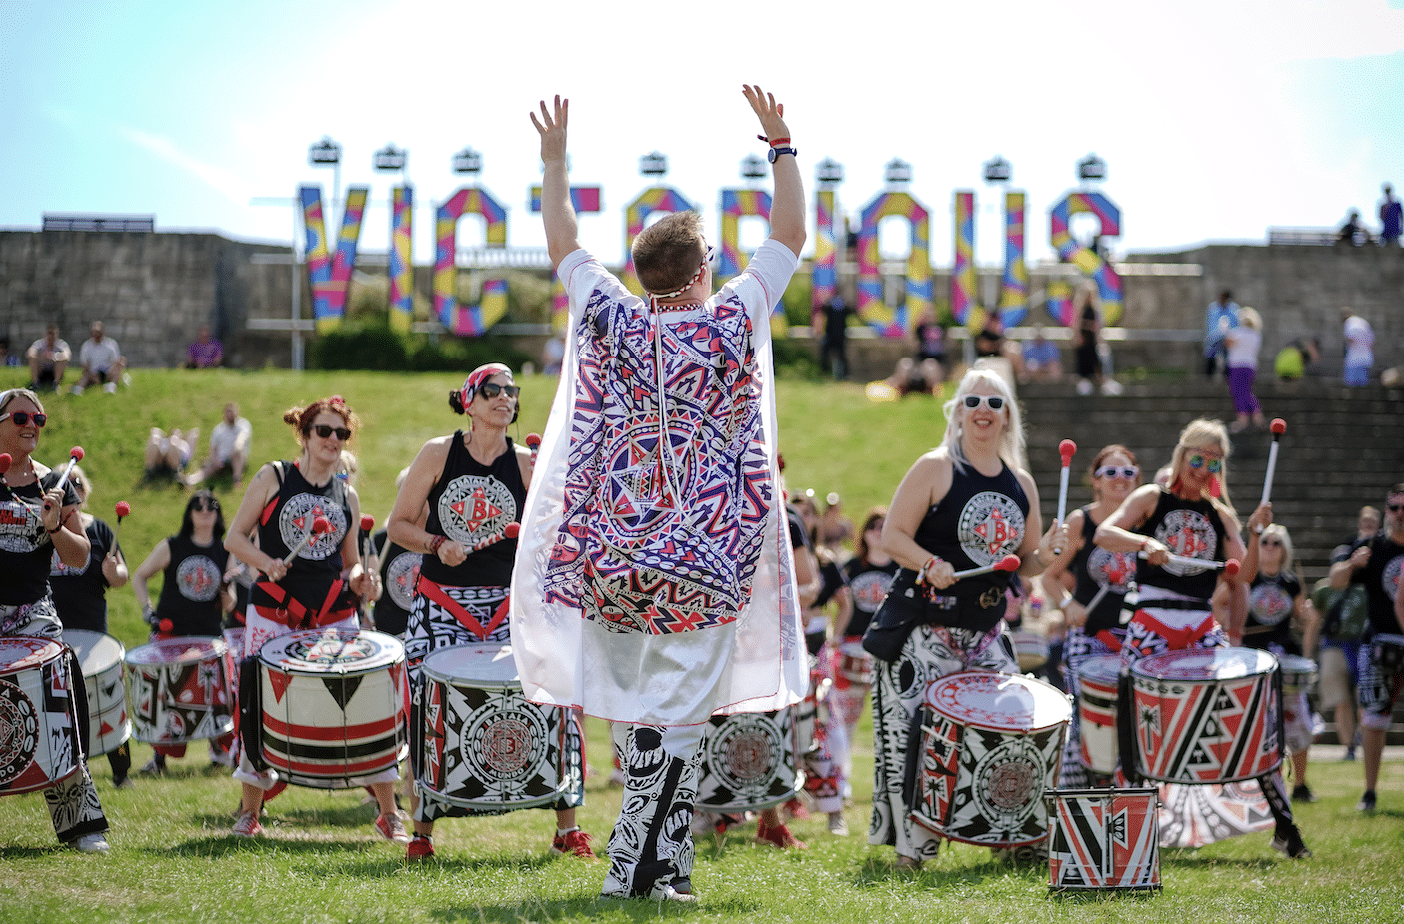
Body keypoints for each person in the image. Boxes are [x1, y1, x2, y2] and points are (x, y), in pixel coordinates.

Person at [512, 86, 808, 903]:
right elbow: (789, 235)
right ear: (702, 267)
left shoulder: (607, 311)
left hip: (612, 556)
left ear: (643, 270)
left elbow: (564, 240)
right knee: (677, 721)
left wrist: (553, 161)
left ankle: (666, 872)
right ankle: (627, 871)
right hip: (705, 560)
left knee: (654, 714)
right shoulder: (726, 322)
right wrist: (781, 146)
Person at [386, 364, 595, 863]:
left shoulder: (527, 464)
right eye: (493, 390)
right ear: (470, 401)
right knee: (429, 711)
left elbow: (557, 533)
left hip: (510, 606)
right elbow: (398, 526)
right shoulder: (439, 453)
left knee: (553, 697)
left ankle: (568, 827)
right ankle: (422, 832)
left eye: (511, 391)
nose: (505, 397)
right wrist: (438, 544)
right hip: (442, 603)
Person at [1094, 417, 1311, 859]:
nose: (1203, 467)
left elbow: (1244, 576)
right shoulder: (1151, 498)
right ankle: (1130, 830)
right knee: (1137, 726)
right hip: (1151, 623)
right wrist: (1141, 544)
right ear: (1181, 455)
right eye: (1197, 458)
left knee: (1245, 715)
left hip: (1199, 627)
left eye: (1213, 462)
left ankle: (1284, 825)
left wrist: (1252, 535)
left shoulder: (1222, 514)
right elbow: (1104, 533)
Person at [872, 365, 1046, 869]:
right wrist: (930, 562)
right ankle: (912, 853)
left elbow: (1027, 561)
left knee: (1015, 728)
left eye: (995, 403)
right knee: (917, 740)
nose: (983, 411)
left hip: (989, 632)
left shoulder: (1023, 484)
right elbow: (893, 536)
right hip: (924, 630)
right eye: (973, 402)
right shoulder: (935, 467)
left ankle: (1014, 838)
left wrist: (1052, 553)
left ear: (1009, 415)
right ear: (958, 413)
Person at [222, 395, 402, 841]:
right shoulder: (273, 476)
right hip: (275, 610)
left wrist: (363, 581)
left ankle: (389, 813)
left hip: (334, 614)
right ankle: (250, 812)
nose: (333, 440)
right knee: (259, 703)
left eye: (341, 434)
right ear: (304, 434)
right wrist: (266, 562)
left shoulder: (348, 494)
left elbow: (350, 564)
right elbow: (234, 539)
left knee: (366, 702)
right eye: (324, 431)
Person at [0, 387, 110, 853]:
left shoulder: (53, 484)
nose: (32, 424)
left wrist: (54, 525)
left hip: (35, 616)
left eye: (39, 419)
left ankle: (81, 826)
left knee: (57, 711)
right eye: (21, 415)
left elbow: (81, 555)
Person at [1039, 444, 1142, 787]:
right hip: (1089, 639)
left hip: (1137, 641)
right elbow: (1049, 575)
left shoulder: (1145, 520)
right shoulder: (1081, 521)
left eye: (1127, 472)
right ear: (1095, 481)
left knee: (1135, 724)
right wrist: (1068, 604)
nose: (1119, 479)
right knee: (1088, 722)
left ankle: (1129, 799)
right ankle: (1077, 797)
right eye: (1110, 472)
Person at [131, 489, 235, 774]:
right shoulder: (172, 545)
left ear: (218, 515)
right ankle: (159, 760)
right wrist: (147, 610)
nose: (205, 512)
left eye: (211, 507)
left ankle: (221, 752)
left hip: (208, 636)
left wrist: (227, 587)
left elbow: (230, 602)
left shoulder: (226, 550)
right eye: (198, 507)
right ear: (189, 513)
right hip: (171, 635)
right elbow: (139, 576)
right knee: (167, 697)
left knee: (218, 695)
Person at [47, 463, 132, 787]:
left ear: (85, 492)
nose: (71, 489)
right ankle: (60, 769)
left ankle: (121, 773)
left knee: (105, 697)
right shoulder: (46, 526)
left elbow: (121, 575)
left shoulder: (100, 531)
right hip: (53, 632)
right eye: (63, 483)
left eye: (77, 483)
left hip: (93, 630)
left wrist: (115, 573)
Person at [1329, 483, 1404, 813]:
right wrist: (1351, 564)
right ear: (1386, 510)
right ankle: (1370, 792)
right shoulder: (1372, 546)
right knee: (1373, 720)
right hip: (1379, 643)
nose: (1400, 515)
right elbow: (1335, 581)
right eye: (1394, 507)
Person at [1242, 524, 1319, 802]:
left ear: (1284, 548)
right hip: (1252, 659)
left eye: (1276, 542)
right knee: (1253, 722)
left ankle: (1300, 785)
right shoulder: (1247, 578)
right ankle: (1251, 786)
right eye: (1264, 542)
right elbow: (1220, 603)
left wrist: (1307, 619)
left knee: (1296, 720)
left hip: (1285, 659)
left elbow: (1303, 619)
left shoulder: (1290, 582)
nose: (1270, 547)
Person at [831, 507, 897, 802]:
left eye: (885, 526)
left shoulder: (901, 567)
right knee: (845, 718)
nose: (878, 531)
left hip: (890, 651)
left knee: (890, 720)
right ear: (864, 532)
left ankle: (890, 785)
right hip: (853, 648)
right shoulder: (851, 567)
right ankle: (839, 780)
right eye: (873, 526)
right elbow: (838, 602)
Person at [1311, 505, 1379, 761]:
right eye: (1365, 521)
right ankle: (1349, 746)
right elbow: (1334, 579)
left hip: (1366, 641)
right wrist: (1353, 561)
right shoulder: (1348, 549)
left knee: (1363, 698)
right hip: (1337, 642)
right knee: (1341, 699)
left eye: (1374, 521)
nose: (1369, 525)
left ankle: (1363, 737)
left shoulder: (1385, 550)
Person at [185, 402, 252, 489]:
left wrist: (237, 446)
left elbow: (242, 438)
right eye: (228, 412)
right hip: (222, 460)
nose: (230, 415)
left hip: (237, 458)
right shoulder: (218, 430)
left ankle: (237, 480)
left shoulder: (243, 425)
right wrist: (215, 461)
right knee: (209, 467)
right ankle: (190, 480)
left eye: (232, 412)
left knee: (238, 452)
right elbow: (213, 448)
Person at [1224, 306, 1266, 432]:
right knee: (1247, 392)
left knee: (1239, 392)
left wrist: (1225, 330)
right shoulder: (1256, 335)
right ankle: (1257, 417)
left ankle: (1243, 420)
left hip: (1237, 366)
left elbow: (1227, 344)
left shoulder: (1236, 332)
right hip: (1250, 366)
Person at [72, 321, 127, 395]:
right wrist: (92, 376)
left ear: (103, 332)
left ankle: (111, 386)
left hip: (108, 372)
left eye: (98, 332)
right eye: (95, 332)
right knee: (85, 375)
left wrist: (110, 372)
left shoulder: (111, 344)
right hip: (93, 374)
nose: (97, 334)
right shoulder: (86, 346)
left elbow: (115, 360)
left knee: (122, 362)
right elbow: (84, 364)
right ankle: (79, 389)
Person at [1072, 292, 1105, 395]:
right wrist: (1077, 336)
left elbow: (1098, 325)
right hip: (1084, 339)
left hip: (1091, 340)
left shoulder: (1095, 309)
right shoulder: (1081, 308)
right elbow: (1077, 324)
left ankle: (1097, 379)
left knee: (1094, 359)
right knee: (1083, 360)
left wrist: (1098, 338)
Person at [817, 295, 854, 380]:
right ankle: (824, 373)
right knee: (824, 355)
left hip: (839, 337)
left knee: (842, 356)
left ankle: (845, 375)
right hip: (831, 336)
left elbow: (852, 311)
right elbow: (823, 309)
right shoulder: (830, 307)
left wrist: (846, 303)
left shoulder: (843, 308)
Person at [1203, 290, 1239, 378]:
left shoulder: (1234, 309)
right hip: (1214, 339)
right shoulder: (1212, 308)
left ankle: (1226, 378)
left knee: (1228, 360)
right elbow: (1209, 324)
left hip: (1227, 340)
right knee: (1210, 358)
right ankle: (1208, 379)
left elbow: (1236, 326)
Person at [26, 324, 71, 392]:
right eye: (49, 333)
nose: (51, 336)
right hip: (41, 370)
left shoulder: (61, 344)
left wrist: (55, 356)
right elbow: (30, 353)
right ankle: (35, 384)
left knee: (62, 360)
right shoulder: (40, 343)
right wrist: (41, 357)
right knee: (32, 359)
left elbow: (67, 355)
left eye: (53, 334)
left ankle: (55, 385)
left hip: (54, 371)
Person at [1341, 307, 1375, 387]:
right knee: (1363, 388)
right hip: (1366, 358)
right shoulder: (1363, 322)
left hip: (1354, 360)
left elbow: (1351, 338)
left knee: (1351, 388)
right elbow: (1372, 340)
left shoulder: (1349, 322)